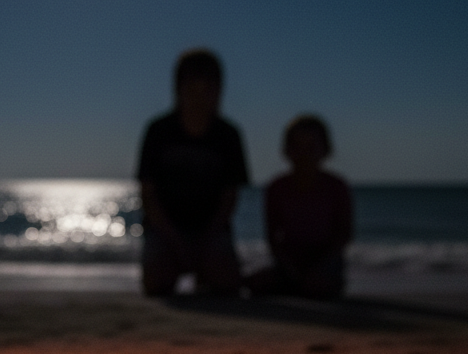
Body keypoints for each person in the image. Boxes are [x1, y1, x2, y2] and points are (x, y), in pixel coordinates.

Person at [136, 49, 249, 295]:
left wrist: (206, 239)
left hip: (212, 232)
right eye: (192, 88)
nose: (200, 97)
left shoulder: (228, 135)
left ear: (219, 90)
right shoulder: (158, 131)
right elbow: (148, 196)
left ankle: (206, 275)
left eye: (208, 89)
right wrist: (176, 241)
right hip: (164, 232)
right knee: (156, 283)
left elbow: (230, 197)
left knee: (228, 285)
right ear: (178, 89)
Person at [246, 115, 353, 299]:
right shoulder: (276, 188)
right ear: (287, 150)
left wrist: (322, 267)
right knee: (252, 282)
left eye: (311, 146)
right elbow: (272, 236)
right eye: (297, 146)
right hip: (289, 262)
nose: (304, 153)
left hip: (325, 261)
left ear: (325, 149)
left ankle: (306, 286)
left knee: (319, 285)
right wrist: (290, 267)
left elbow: (344, 235)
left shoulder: (337, 187)